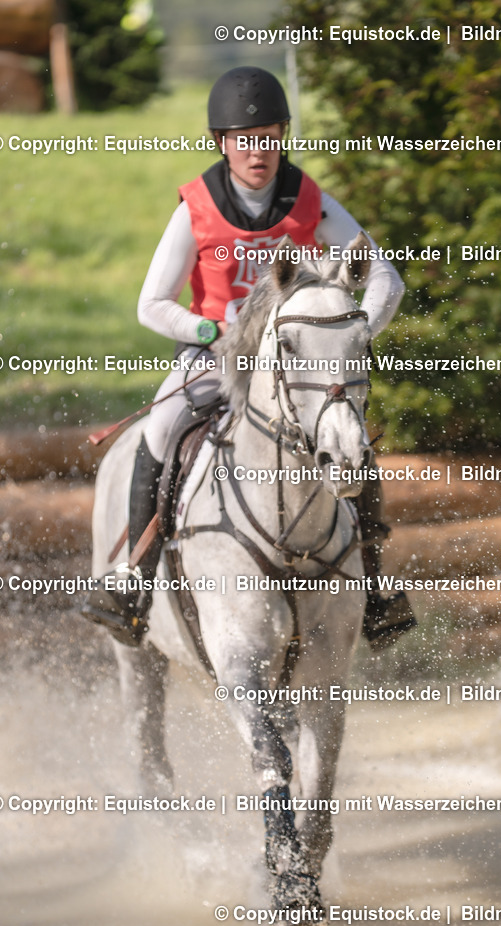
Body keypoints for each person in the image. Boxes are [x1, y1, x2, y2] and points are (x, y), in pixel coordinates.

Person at [82, 66, 415, 649]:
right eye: (245, 139)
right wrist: (209, 332)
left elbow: (383, 273)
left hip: (293, 359)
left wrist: (356, 332)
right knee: (160, 430)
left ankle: (376, 586)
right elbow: (150, 304)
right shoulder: (196, 208)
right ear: (223, 144)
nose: (258, 150)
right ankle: (134, 582)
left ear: (283, 135)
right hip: (213, 353)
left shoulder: (308, 199)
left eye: (268, 136)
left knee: (346, 436)